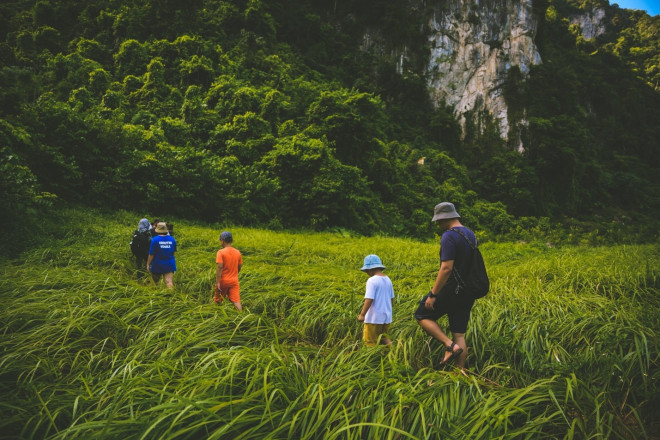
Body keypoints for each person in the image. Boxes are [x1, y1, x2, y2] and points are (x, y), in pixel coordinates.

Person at [414, 202, 476, 369]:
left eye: (439, 221)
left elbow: (446, 267)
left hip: (452, 288)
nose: (439, 225)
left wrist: (433, 294)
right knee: (459, 333)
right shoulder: (470, 234)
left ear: (444, 218)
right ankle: (459, 373)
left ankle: (450, 346)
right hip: (468, 290)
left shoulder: (449, 235)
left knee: (422, 315)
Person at [357, 254, 394, 346]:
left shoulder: (372, 280)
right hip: (386, 317)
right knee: (384, 338)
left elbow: (369, 299)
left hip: (374, 319)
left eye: (366, 270)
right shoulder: (387, 279)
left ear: (370, 269)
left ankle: (372, 359)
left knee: (370, 342)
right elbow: (392, 298)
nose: (366, 273)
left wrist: (362, 314)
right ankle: (395, 353)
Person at [215, 231, 243, 311]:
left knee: (218, 301)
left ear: (222, 241)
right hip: (234, 281)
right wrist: (235, 274)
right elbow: (239, 266)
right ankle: (241, 317)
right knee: (236, 301)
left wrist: (218, 282)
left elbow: (220, 267)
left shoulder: (221, 252)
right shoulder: (237, 252)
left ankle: (217, 317)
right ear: (231, 241)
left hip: (223, 281)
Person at [146, 222, 177, 288]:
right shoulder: (172, 239)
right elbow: (173, 253)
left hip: (157, 264)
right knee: (169, 282)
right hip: (169, 264)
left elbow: (151, 254)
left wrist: (148, 264)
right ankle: (171, 297)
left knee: (155, 283)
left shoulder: (155, 240)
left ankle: (156, 297)